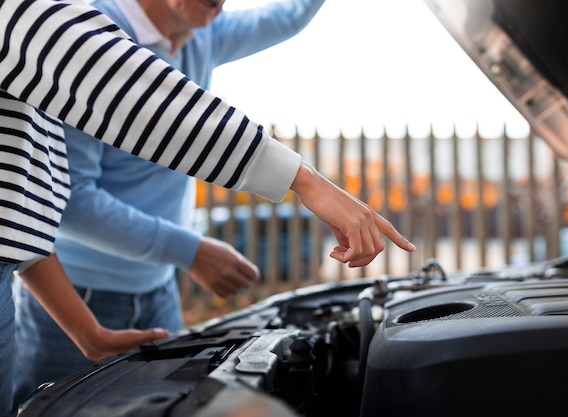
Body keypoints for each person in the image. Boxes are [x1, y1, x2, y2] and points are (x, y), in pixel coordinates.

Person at [0, 0, 415, 414]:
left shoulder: (202, 32)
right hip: (78, 289)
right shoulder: (85, 25)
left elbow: (287, 16)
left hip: (155, 286)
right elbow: (125, 126)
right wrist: (300, 182)